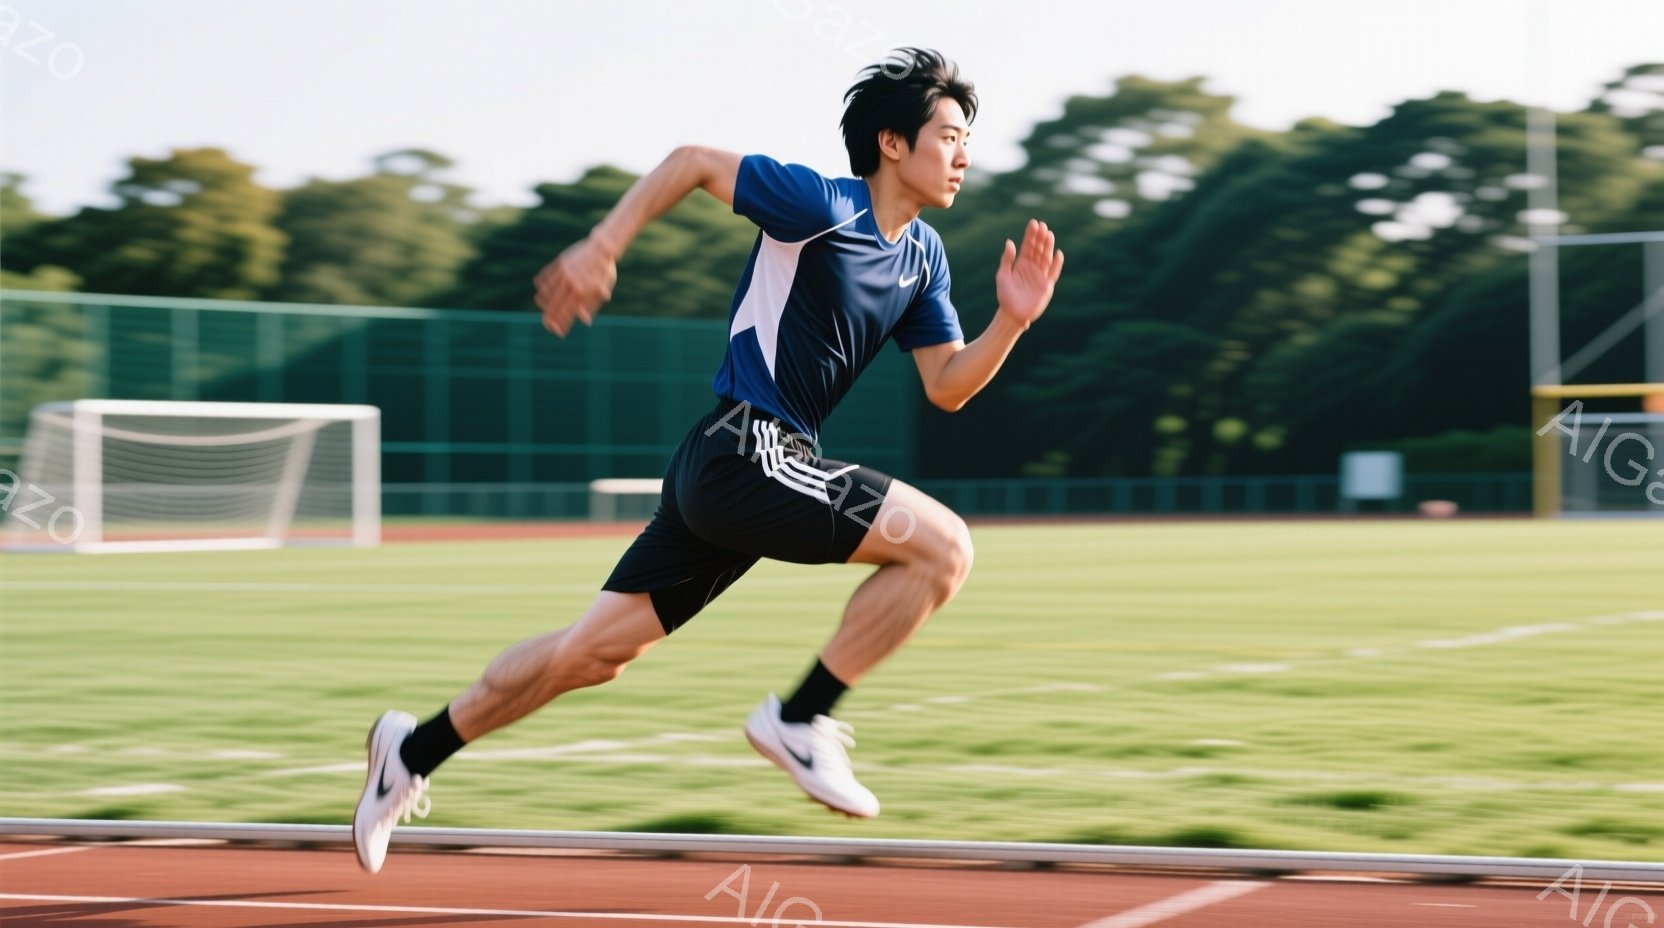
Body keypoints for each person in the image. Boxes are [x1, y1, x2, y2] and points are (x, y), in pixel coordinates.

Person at [352, 46, 1064, 874]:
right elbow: (692, 162)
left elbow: (946, 384)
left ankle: (411, 750)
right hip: (744, 447)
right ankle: (800, 719)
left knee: (590, 655)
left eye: (966, 138)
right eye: (948, 136)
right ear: (892, 144)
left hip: (738, 469)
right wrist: (602, 245)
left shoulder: (924, 257)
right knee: (944, 548)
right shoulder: (822, 203)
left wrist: (1011, 323)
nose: (964, 154)